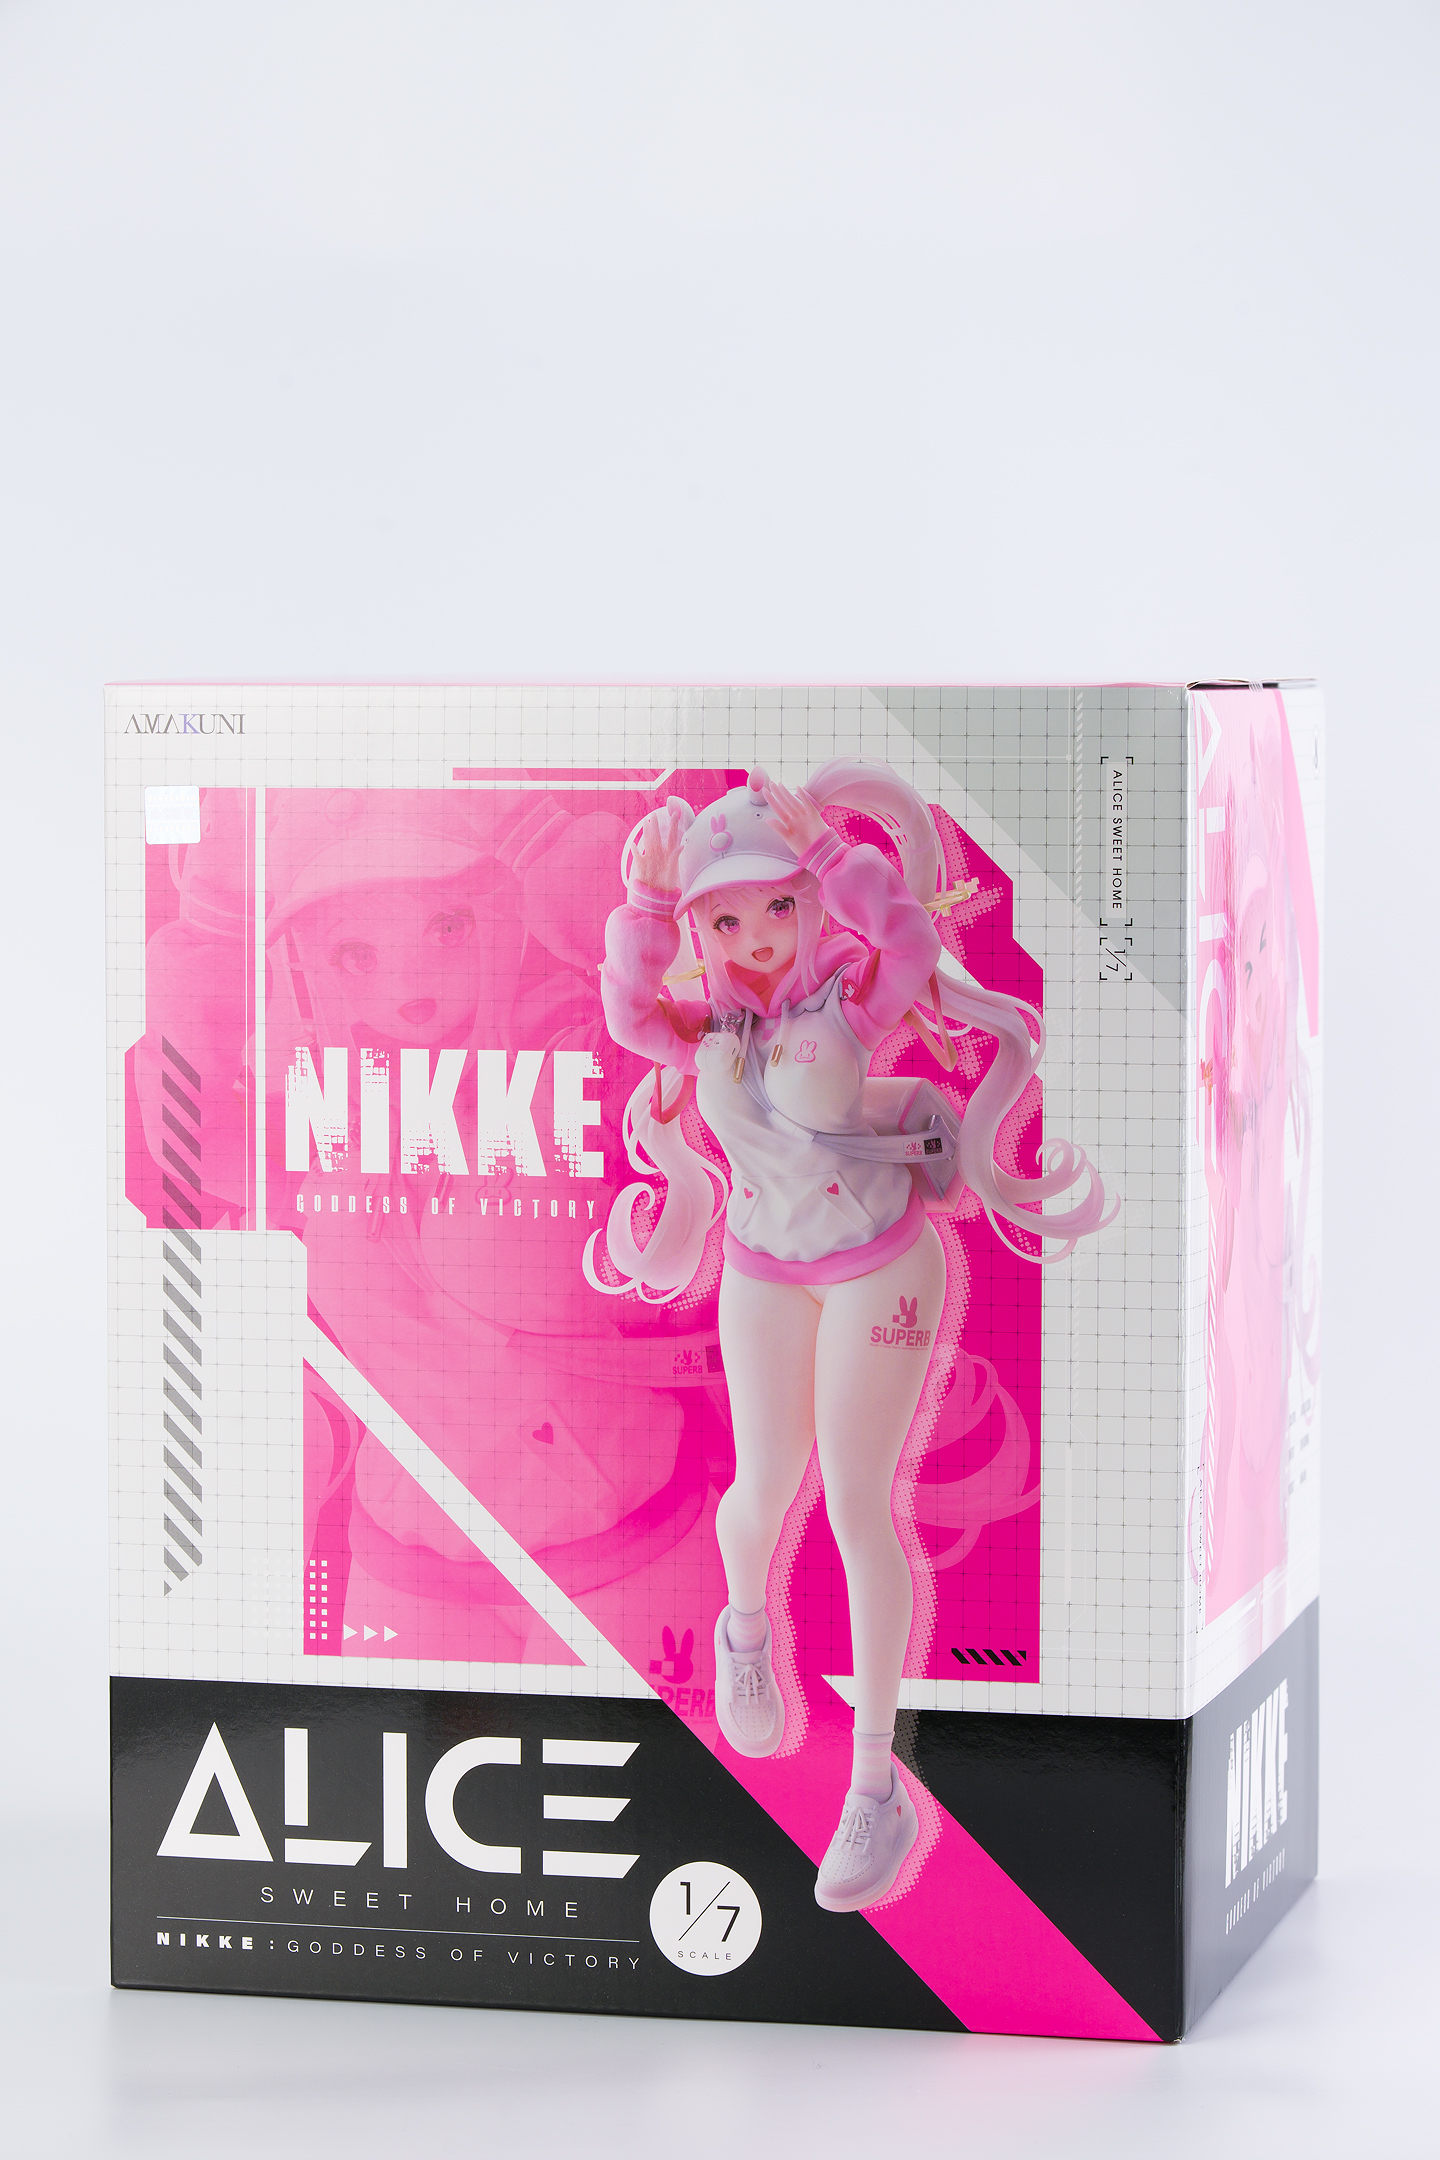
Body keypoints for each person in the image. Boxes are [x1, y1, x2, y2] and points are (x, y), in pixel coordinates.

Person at [599, 762, 1112, 1911]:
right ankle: (746, 1631)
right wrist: (643, 908)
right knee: (756, 1494)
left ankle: (875, 1790)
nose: (756, 938)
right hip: (762, 1269)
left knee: (857, 1510)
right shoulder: (709, 1029)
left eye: (776, 907)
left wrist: (834, 856)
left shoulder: (849, 999)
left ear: (805, 900)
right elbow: (631, 1017)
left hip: (879, 1264)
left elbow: (913, 947)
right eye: (724, 919)